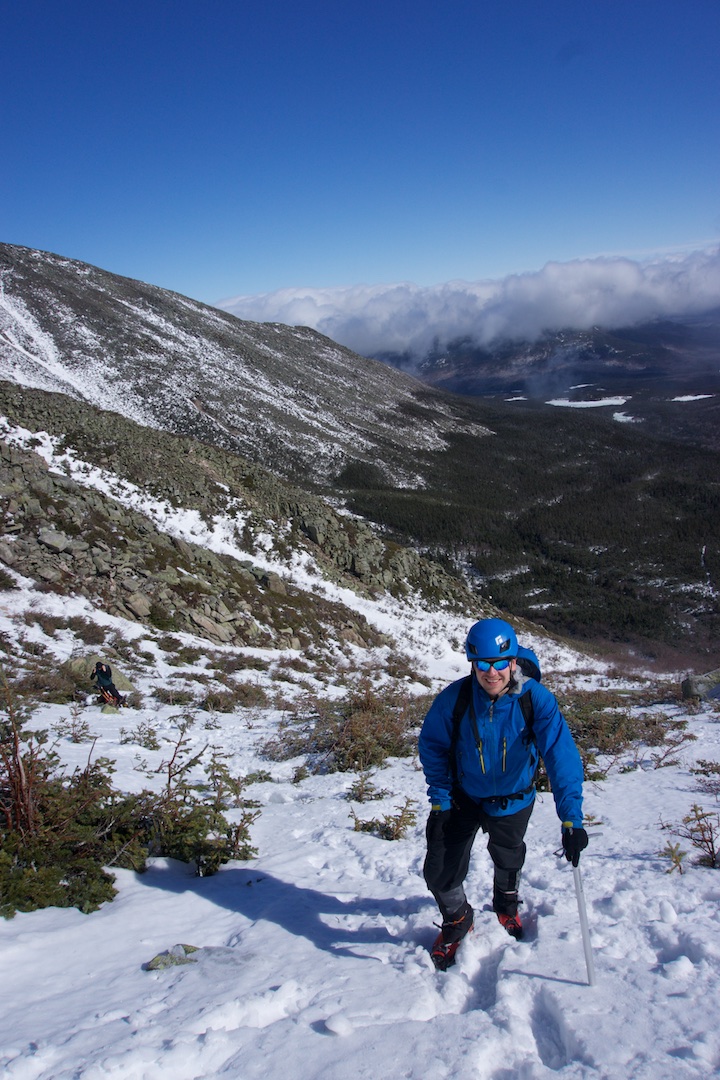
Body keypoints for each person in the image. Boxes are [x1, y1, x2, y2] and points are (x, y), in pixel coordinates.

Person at [418, 617, 587, 970]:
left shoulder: (535, 700)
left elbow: (561, 755)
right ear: (472, 664)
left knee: (508, 856)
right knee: (440, 868)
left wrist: (571, 817)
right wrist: (441, 798)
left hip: (514, 797)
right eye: (482, 664)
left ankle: (506, 906)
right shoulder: (455, 699)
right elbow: (432, 746)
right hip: (463, 796)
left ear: (513, 661)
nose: (491, 673)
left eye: (499, 663)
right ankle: (457, 918)